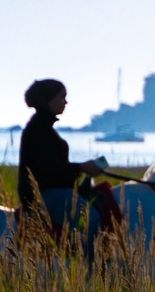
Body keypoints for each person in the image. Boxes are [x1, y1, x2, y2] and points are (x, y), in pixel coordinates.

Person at [17, 79, 110, 249]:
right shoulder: (38, 130)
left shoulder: (43, 128)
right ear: (48, 100)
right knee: (91, 218)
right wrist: (80, 167)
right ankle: (89, 265)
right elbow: (47, 169)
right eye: (62, 97)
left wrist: (81, 170)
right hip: (45, 195)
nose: (65, 102)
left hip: (54, 191)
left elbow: (54, 168)